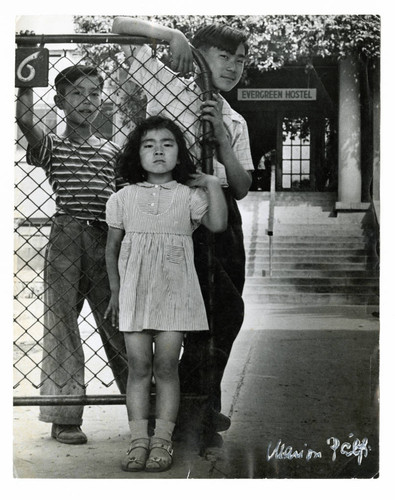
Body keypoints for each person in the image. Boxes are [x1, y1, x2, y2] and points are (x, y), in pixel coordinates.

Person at [112, 17, 254, 442]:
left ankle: (202, 407)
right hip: (174, 214)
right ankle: (181, 410)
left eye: (241, 60)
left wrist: (223, 143)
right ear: (199, 57)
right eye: (223, 56)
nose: (232, 66)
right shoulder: (171, 87)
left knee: (222, 314)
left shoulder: (235, 119)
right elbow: (120, 26)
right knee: (184, 314)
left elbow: (243, 187)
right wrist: (172, 36)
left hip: (222, 217)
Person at [104, 116, 227, 472]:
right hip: (135, 295)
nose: (158, 150)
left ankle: (162, 442)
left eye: (167, 144)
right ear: (136, 154)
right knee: (139, 367)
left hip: (175, 295)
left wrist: (211, 185)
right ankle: (138, 441)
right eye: (148, 144)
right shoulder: (122, 198)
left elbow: (217, 224)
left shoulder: (188, 197)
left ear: (179, 154)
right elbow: (111, 249)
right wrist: (115, 290)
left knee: (166, 367)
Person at [16, 65, 129, 445]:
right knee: (61, 323)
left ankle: (143, 405)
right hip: (65, 236)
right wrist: (27, 77)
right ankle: (64, 416)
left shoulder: (113, 152)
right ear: (61, 101)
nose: (87, 100)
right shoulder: (53, 146)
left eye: (95, 93)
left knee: (119, 322)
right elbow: (25, 119)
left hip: (105, 238)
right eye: (77, 93)